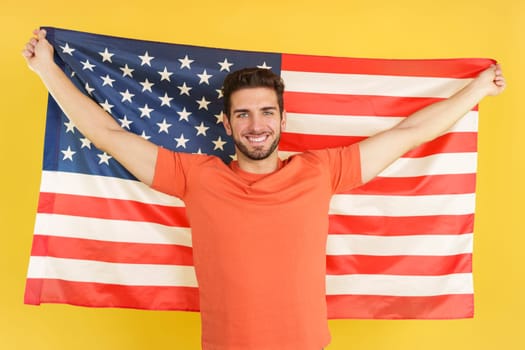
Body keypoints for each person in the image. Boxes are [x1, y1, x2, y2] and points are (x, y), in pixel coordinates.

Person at [22, 28, 505, 350]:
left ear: (282, 119)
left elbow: (409, 134)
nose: (256, 125)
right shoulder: (197, 176)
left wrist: (479, 89)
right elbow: (108, 135)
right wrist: (46, 68)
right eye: (244, 114)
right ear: (228, 124)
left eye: (267, 112)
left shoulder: (321, 171)